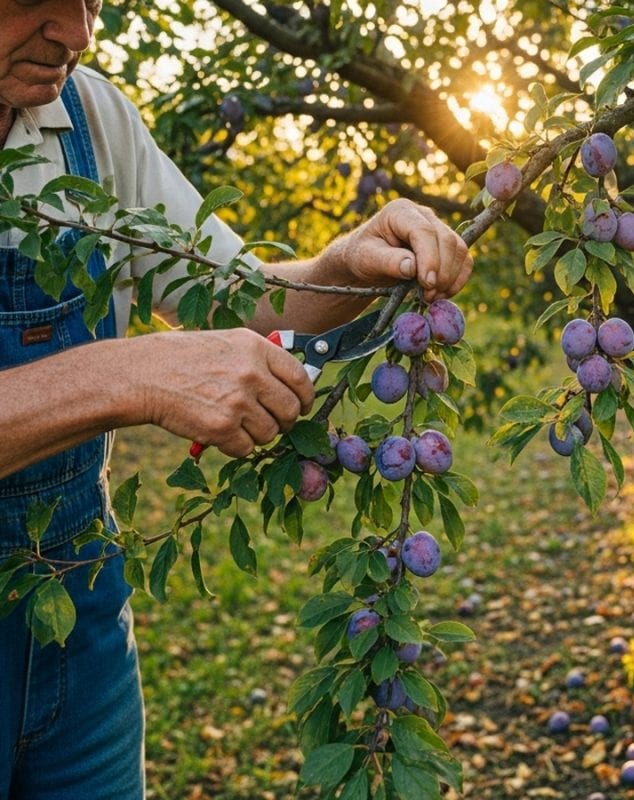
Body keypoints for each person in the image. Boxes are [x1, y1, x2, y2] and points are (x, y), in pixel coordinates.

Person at [0, 2, 473, 798]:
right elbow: (136, 369)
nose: (78, 33)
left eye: (89, 0)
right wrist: (128, 375)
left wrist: (346, 265)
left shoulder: (87, 119)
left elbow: (230, 296)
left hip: (78, 623)